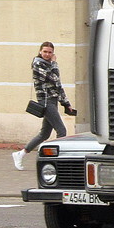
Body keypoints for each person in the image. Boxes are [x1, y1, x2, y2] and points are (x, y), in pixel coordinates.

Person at [12, 42, 73, 170]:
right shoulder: (37, 64)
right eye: (45, 51)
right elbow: (54, 79)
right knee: (61, 131)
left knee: (44, 134)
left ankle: (20, 154)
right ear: (40, 51)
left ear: (53, 53)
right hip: (45, 102)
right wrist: (55, 64)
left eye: (50, 52)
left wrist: (66, 103)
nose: (47, 54)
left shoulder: (50, 65)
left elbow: (58, 86)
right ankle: (58, 162)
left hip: (53, 100)